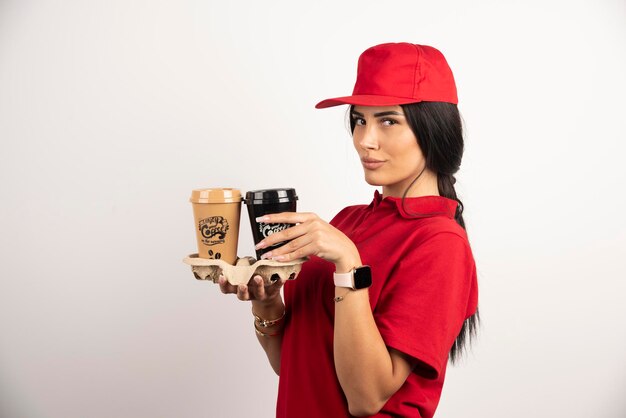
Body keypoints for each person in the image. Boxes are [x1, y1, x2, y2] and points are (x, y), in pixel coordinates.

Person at [218, 42, 479, 418]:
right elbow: (291, 365)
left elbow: (366, 398)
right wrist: (267, 299)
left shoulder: (440, 242)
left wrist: (349, 263)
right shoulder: (349, 221)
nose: (364, 140)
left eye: (388, 120)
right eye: (359, 119)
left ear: (433, 129)